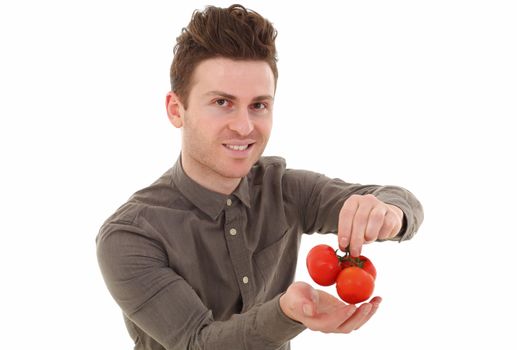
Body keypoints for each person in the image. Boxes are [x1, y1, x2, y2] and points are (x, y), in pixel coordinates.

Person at [96, 4, 424, 350]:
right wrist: (286, 313)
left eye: (259, 105)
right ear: (176, 109)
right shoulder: (130, 235)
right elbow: (196, 343)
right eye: (222, 102)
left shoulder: (285, 189)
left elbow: (401, 199)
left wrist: (390, 213)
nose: (244, 127)